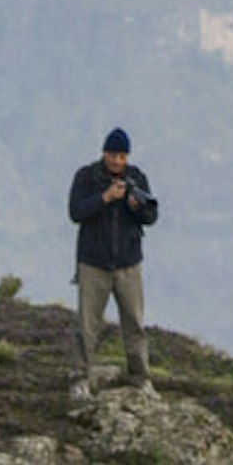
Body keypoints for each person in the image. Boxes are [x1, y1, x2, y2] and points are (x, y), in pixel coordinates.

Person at [66, 126, 161, 401]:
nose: (117, 161)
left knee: (134, 324)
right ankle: (79, 378)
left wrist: (136, 206)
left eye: (122, 156)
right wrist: (105, 198)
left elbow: (152, 216)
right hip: (93, 264)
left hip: (128, 264)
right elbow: (76, 212)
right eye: (113, 155)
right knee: (87, 325)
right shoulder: (87, 177)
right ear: (104, 153)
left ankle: (141, 378)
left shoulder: (137, 178)